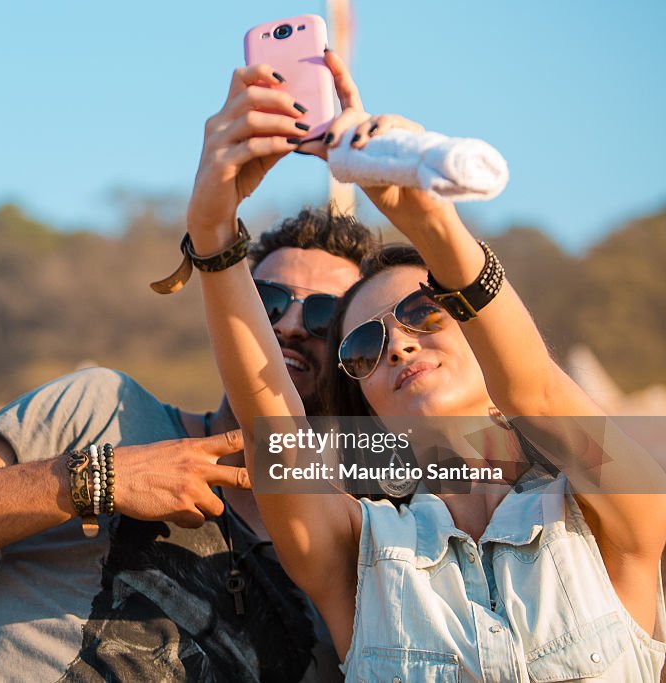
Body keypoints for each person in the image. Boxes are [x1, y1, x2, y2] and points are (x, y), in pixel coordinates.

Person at [187, 50, 666, 681]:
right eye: (363, 347)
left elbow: (537, 391)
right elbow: (271, 427)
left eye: (425, 313)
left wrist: (423, 209)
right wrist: (213, 231)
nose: (398, 345)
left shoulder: (606, 503)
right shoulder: (356, 559)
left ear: (481, 334)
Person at [0, 208, 376, 680]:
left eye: (326, 314)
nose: (290, 325)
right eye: (267, 301)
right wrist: (96, 478)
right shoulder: (104, 407)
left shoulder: (366, 545)